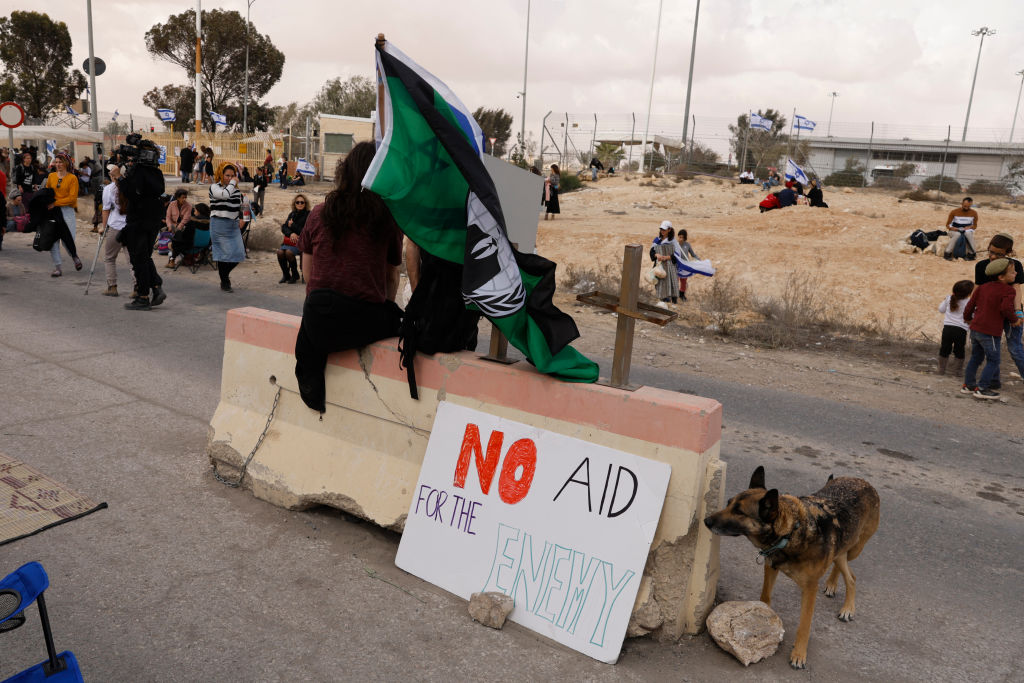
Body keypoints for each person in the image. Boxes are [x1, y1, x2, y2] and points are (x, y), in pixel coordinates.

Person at [293, 141, 404, 413]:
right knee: (396, 316)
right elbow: (391, 280)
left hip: (319, 320)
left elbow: (308, 275)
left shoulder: (318, 213)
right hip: (366, 319)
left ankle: (311, 387)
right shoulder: (387, 218)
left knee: (310, 326)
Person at [962, 258, 1020, 399]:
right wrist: (1014, 320)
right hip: (991, 332)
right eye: (1012, 272)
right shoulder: (1009, 290)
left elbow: (970, 304)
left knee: (976, 357)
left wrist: (967, 318)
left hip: (975, 329)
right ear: (1001, 276)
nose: (1016, 273)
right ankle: (982, 388)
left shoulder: (982, 287)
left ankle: (968, 385)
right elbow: (1006, 308)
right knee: (993, 360)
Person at [973, 233, 1024, 389]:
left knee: (1015, 348)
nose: (993, 256)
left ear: (1007, 253)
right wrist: (974, 310)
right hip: (990, 315)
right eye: (991, 251)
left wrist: (1018, 312)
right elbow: (977, 291)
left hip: (1011, 313)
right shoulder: (981, 266)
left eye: (999, 254)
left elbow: (1016, 288)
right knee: (991, 349)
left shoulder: (1015, 266)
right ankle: (993, 382)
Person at [208, 162, 246, 292]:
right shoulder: (214, 187)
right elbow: (223, 195)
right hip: (218, 224)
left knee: (239, 254)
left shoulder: (236, 191)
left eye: (232, 175)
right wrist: (232, 184)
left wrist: (242, 216)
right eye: (227, 175)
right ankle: (225, 281)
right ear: (221, 175)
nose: (230, 178)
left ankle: (224, 277)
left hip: (233, 225)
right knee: (223, 256)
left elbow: (242, 206)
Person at [99, 164, 135, 297]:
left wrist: (103, 227)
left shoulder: (109, 189)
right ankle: (137, 287)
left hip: (115, 226)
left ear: (111, 175)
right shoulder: (131, 187)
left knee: (109, 258)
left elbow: (106, 210)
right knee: (132, 260)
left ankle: (112, 286)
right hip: (130, 227)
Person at [44, 152, 82, 277]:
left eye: (60, 162)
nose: (58, 164)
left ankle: (74, 256)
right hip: (53, 212)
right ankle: (58, 267)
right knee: (53, 241)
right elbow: (48, 192)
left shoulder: (72, 178)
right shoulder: (51, 176)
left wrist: (55, 203)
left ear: (66, 163)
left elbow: (72, 198)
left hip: (67, 211)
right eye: (56, 162)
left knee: (68, 238)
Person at [935, 280, 974, 376]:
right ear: (969, 293)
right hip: (961, 330)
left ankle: (941, 370)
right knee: (959, 350)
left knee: (944, 349)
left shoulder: (949, 298)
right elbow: (972, 315)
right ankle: (957, 372)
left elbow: (941, 309)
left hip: (947, 328)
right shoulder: (970, 302)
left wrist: (945, 300)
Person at [277, 193, 309, 283]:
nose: (299, 204)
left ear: (305, 203)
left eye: (302, 202)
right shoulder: (292, 214)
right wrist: (291, 234)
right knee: (279, 252)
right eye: (297, 202)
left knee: (288, 252)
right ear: (294, 204)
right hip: (290, 241)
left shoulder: (308, 215)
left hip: (301, 242)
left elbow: (305, 231)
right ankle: (286, 275)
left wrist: (293, 226)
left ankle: (295, 275)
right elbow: (284, 227)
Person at [170, 203, 210, 269]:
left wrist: (179, 233)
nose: (194, 212)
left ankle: (172, 260)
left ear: (199, 211)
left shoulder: (193, 221)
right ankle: (201, 258)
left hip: (190, 246)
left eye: (195, 210)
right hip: (205, 246)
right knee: (178, 235)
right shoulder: (211, 222)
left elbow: (186, 235)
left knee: (175, 239)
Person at [650, 220, 679, 304]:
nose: (662, 231)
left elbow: (677, 254)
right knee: (660, 282)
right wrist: (656, 255)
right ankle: (663, 300)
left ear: (669, 230)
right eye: (661, 229)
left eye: (664, 229)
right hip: (659, 265)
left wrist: (667, 257)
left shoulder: (673, 241)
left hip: (670, 265)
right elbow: (651, 252)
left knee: (672, 282)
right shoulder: (657, 240)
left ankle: (673, 301)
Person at [164, 188, 192, 268]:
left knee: (175, 241)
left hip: (182, 228)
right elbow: (168, 217)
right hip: (172, 226)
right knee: (175, 240)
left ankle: (171, 260)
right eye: (182, 197)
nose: (184, 199)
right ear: (177, 197)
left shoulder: (188, 206)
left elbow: (185, 219)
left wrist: (177, 229)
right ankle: (172, 260)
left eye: (185, 197)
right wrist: (169, 226)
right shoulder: (172, 204)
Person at [674, 228, 700, 301]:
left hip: (685, 266)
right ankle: (674, 295)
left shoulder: (687, 245)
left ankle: (682, 295)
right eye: (680, 237)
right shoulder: (675, 245)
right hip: (676, 265)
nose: (681, 239)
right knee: (675, 280)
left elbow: (693, 254)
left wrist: (699, 261)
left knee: (683, 281)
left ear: (685, 238)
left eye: (682, 237)